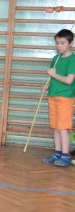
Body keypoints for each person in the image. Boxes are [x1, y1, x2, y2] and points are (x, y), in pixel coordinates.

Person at [42, 29, 75, 167]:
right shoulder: (56, 58)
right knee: (55, 127)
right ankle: (57, 153)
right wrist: (47, 86)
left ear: (70, 43)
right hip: (53, 96)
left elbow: (69, 80)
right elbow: (52, 77)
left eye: (62, 43)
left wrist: (53, 74)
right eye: (57, 43)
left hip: (65, 98)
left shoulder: (73, 59)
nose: (59, 46)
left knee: (63, 128)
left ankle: (65, 156)